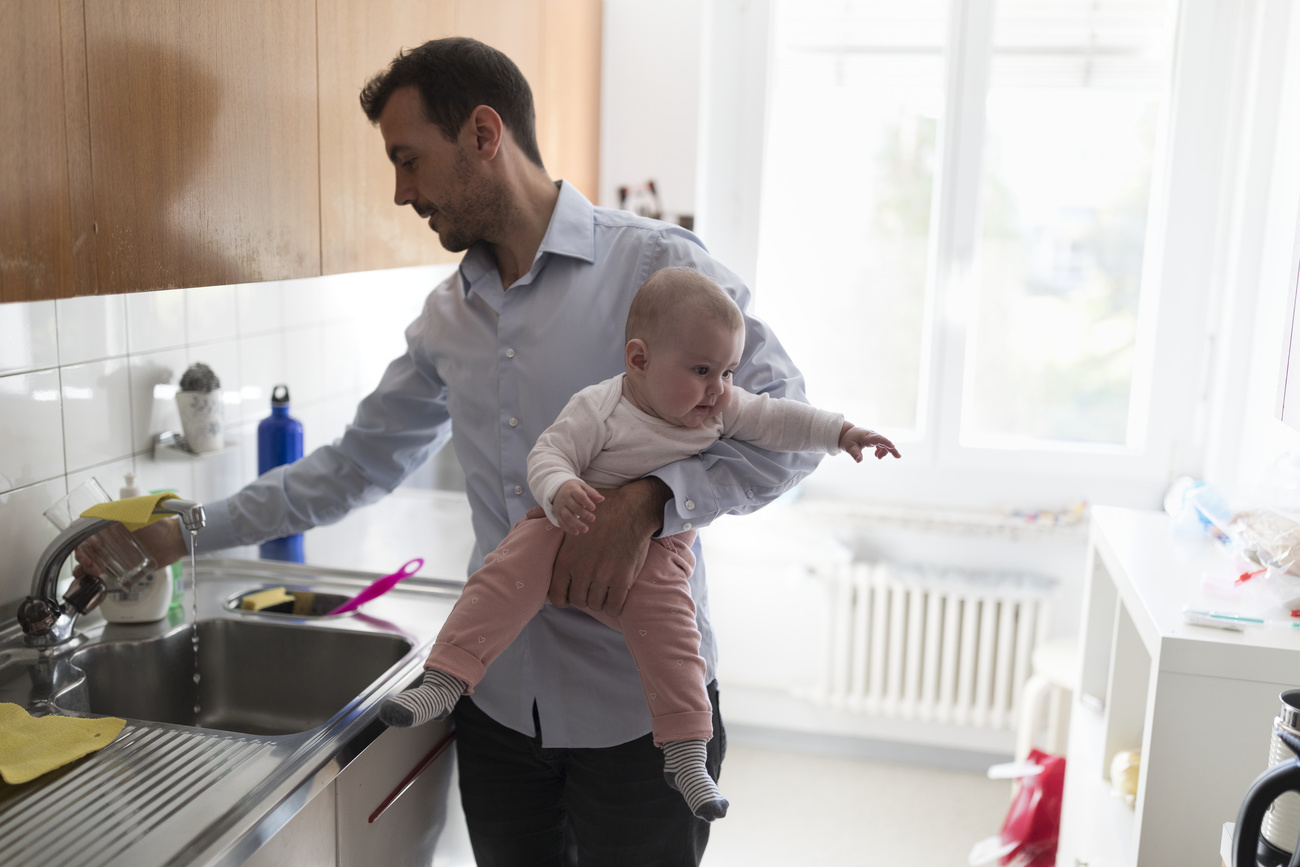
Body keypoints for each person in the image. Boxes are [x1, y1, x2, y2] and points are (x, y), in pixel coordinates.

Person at [101, 36, 827, 865]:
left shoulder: (655, 268)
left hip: (641, 723)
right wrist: (178, 530)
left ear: (485, 134)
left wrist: (654, 499)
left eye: (409, 160)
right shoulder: (447, 320)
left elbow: (787, 431)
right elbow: (353, 466)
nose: (402, 192)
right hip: (499, 720)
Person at [380, 266, 901, 824]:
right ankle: (446, 678)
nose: (719, 389)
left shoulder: (720, 408)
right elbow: (547, 455)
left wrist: (841, 431)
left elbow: (777, 419)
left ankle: (685, 751)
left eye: (726, 371)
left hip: (661, 550)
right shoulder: (600, 407)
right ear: (639, 360)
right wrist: (562, 488)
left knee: (676, 638)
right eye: (702, 370)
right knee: (504, 573)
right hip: (568, 517)